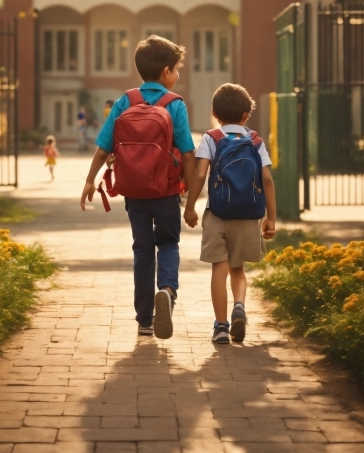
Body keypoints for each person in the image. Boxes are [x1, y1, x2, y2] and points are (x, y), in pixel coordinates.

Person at [80, 35, 196, 340]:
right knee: (168, 242)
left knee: (142, 249)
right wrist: (193, 192)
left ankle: (145, 319)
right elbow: (186, 151)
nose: (178, 75)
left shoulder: (125, 101)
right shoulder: (175, 104)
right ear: (166, 72)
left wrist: (90, 179)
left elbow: (104, 147)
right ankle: (167, 291)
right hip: (167, 191)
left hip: (134, 191)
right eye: (177, 70)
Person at [184, 83, 276, 345]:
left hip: (218, 215)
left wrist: (190, 208)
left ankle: (221, 326)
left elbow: (201, 174)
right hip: (249, 216)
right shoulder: (255, 141)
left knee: (219, 270)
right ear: (247, 115)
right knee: (238, 270)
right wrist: (271, 218)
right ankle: (239, 305)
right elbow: (267, 180)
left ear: (215, 113)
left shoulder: (211, 138)